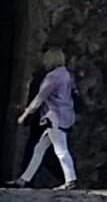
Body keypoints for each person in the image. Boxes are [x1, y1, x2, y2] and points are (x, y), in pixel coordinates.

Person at [12, 48, 75, 190]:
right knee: (39, 149)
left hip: (54, 117)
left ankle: (70, 179)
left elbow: (39, 99)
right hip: (64, 115)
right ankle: (24, 179)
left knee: (60, 150)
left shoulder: (52, 77)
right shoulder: (66, 75)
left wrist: (25, 115)